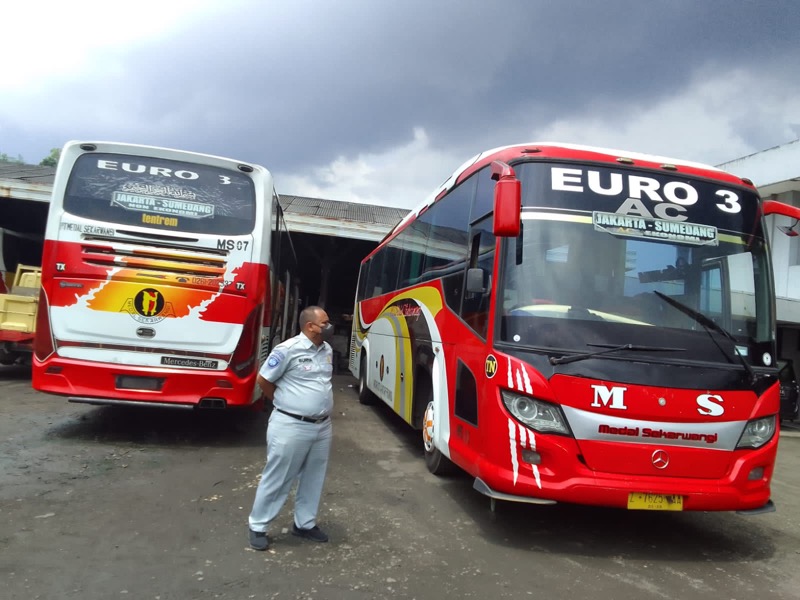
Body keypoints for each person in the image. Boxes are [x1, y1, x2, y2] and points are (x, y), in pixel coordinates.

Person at [248, 305, 335, 551]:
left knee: (313, 476)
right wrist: (285, 402)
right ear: (310, 326)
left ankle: (304, 524)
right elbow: (264, 380)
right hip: (291, 424)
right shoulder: (288, 350)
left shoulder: (326, 349)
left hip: (321, 426)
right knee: (278, 476)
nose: (329, 327)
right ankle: (258, 525)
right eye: (325, 323)